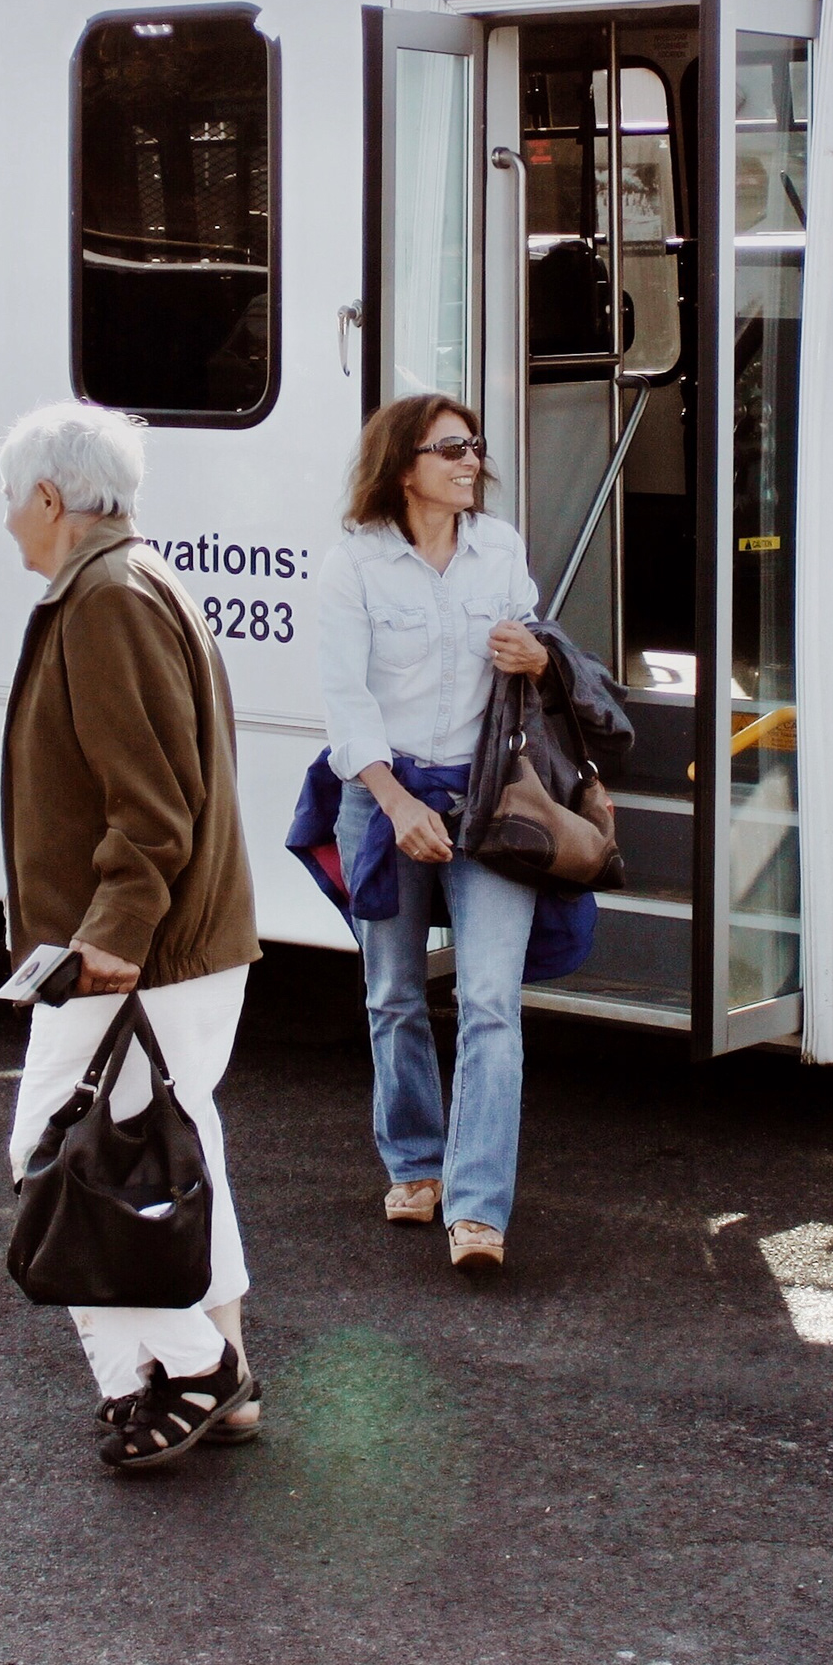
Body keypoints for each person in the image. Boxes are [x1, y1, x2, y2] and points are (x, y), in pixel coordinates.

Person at [0, 398, 267, 1471]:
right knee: (173, 1156)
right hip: (174, 951)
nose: (8, 521)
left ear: (49, 498)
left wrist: (111, 936)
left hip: (138, 955)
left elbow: (152, 804)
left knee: (61, 1158)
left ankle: (196, 1369)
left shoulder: (108, 597)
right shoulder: (130, 581)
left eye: (12, 500)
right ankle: (175, 1379)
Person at [315, 390, 552, 1273]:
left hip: (487, 800)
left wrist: (538, 657)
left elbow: (535, 655)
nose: (469, 461)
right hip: (384, 797)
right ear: (402, 468)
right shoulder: (355, 564)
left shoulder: (501, 548)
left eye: (472, 446)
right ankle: (415, 1164)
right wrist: (394, 802)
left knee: (491, 1001)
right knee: (394, 994)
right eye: (449, 448)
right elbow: (346, 703)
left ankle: (479, 1209)